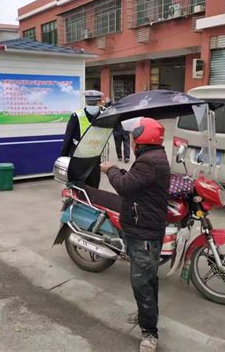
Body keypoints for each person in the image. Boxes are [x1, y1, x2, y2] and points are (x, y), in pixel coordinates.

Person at [100, 118, 170, 352]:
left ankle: (149, 332)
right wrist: (119, 171)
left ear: (142, 137)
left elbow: (123, 186)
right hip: (143, 228)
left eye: (133, 135)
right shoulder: (152, 158)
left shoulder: (149, 162)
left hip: (144, 233)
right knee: (149, 279)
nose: (130, 139)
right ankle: (145, 314)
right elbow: (134, 182)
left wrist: (110, 169)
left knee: (142, 282)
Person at [60, 90, 103, 188]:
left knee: (85, 188)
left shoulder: (104, 115)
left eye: (93, 103)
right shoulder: (77, 116)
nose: (92, 105)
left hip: (91, 160)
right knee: (90, 188)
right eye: (91, 103)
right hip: (83, 159)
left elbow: (68, 139)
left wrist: (62, 157)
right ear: (100, 102)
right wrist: (63, 157)